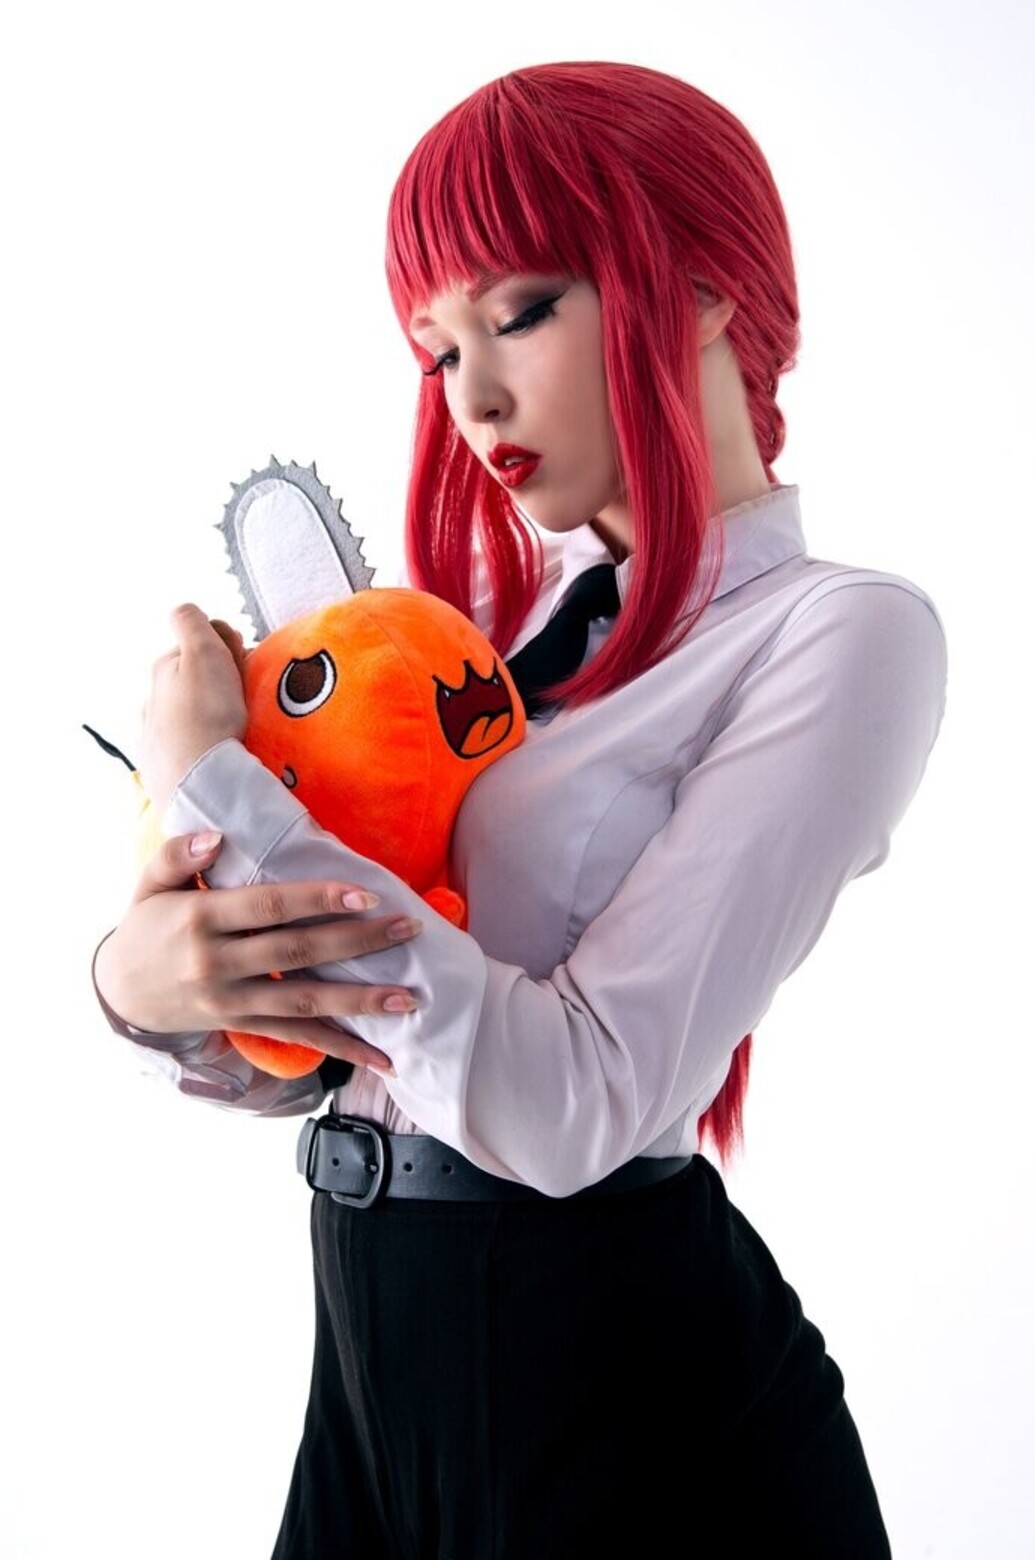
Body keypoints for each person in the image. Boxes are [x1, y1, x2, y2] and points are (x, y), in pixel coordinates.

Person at [93, 60, 947, 1557]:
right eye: (436, 351)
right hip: (369, 1348)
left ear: (704, 289)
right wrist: (152, 987)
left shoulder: (841, 636)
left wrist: (214, 781)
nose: (472, 397)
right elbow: (355, 1051)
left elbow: (572, 1104)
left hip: (625, 1394)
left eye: (522, 312)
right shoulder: (469, 629)